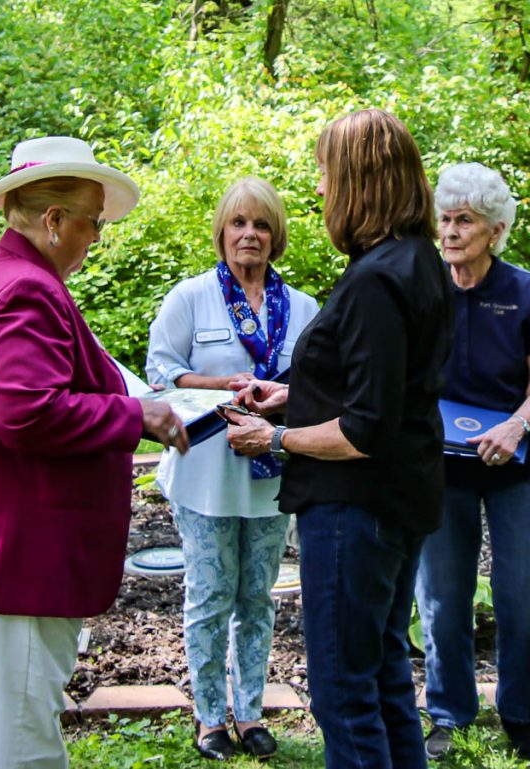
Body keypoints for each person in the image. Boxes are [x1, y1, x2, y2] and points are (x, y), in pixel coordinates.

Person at [0, 136, 189, 769]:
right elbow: (27, 412)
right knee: (20, 744)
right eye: (93, 222)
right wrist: (134, 412)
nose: (96, 238)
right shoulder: (24, 291)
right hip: (15, 559)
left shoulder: (5, 275)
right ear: (54, 219)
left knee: (0, 731)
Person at [225, 108, 454, 769]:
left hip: (358, 509)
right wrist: (293, 392)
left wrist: (276, 437)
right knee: (381, 673)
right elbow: (387, 383)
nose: (320, 190)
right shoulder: (416, 262)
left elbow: (363, 429)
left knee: (340, 688)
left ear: (360, 179)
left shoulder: (379, 279)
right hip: (398, 500)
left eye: (327, 173)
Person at [145, 176, 318, 760]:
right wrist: (224, 384)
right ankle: (209, 717)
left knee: (257, 596)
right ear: (222, 232)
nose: (250, 235)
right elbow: (161, 374)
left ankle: (250, 712)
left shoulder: (303, 309)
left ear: (277, 237)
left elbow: (318, 387)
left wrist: (278, 395)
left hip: (271, 472)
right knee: (209, 595)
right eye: (239, 223)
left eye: (262, 225)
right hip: (205, 473)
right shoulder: (190, 298)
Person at [413, 162, 530, 761]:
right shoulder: (421, 287)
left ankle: (520, 712)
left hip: (520, 461)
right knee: (443, 596)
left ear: (496, 230)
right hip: (442, 466)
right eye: (445, 220)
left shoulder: (526, 292)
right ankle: (448, 713)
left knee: (521, 597)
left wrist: (515, 424)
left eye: (465, 222)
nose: (450, 233)